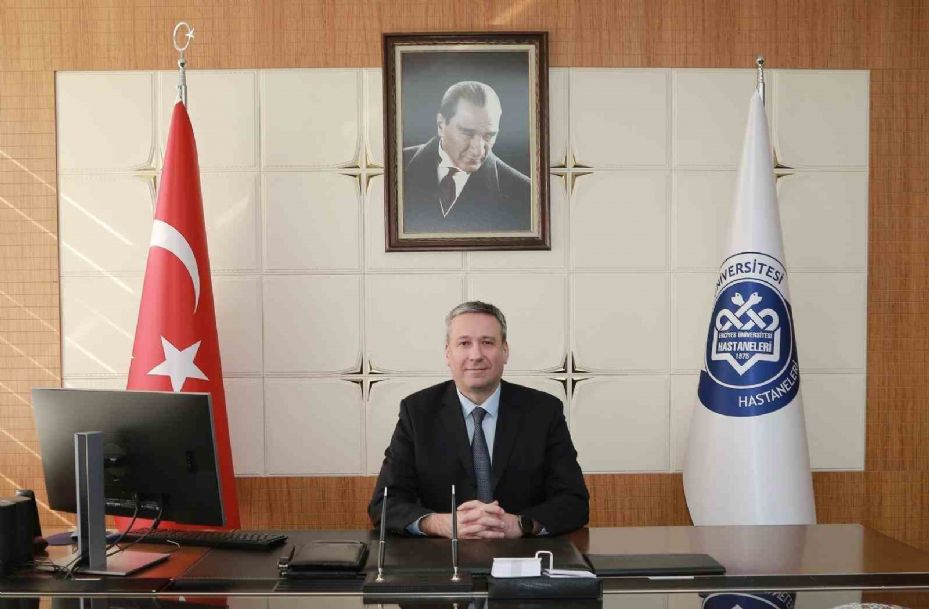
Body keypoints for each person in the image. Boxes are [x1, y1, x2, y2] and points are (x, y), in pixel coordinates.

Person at [368, 301, 589, 538]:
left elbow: (575, 502)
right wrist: (440, 524)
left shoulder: (543, 411)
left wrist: (522, 524)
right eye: (464, 343)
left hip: (525, 556)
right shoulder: (417, 412)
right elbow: (384, 504)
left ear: (505, 351)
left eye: (487, 342)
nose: (476, 355)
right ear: (447, 353)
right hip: (442, 559)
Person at [401, 81, 532, 234]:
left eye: (489, 135)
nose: (478, 149)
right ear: (441, 125)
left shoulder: (526, 194)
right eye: (467, 133)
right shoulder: (394, 168)